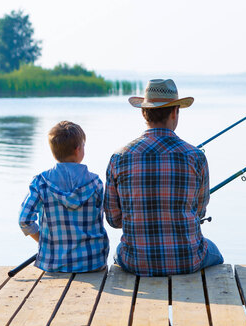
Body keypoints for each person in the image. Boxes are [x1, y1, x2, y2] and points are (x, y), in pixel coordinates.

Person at [105, 78, 223, 276]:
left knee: (118, 253)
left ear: (144, 112)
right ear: (175, 112)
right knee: (215, 253)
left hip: (135, 262)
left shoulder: (119, 157)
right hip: (188, 260)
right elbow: (199, 212)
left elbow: (114, 219)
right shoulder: (195, 156)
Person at [19, 121, 109, 272]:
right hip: (92, 262)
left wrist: (46, 242)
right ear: (78, 149)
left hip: (54, 263)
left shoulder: (40, 183)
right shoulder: (95, 183)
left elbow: (24, 220)